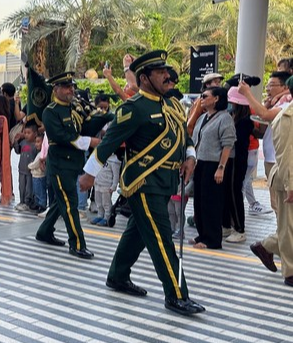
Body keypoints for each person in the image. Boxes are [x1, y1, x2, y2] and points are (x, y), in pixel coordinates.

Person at [79, 50, 204, 316]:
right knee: (161, 239)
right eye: (160, 72)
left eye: (165, 71)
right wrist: (89, 174)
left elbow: (185, 136)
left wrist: (190, 157)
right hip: (143, 183)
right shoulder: (133, 108)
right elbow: (110, 141)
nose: (166, 76)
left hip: (165, 181)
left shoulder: (171, 105)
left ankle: (117, 276)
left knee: (137, 233)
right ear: (145, 78)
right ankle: (177, 294)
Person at [35, 72, 111, 259]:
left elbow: (86, 127)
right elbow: (62, 137)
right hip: (60, 165)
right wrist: (90, 142)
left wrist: (105, 117)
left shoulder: (75, 107)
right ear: (56, 89)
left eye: (72, 87)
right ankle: (77, 243)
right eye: (67, 87)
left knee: (60, 202)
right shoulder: (50, 111)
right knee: (70, 204)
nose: (71, 90)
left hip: (74, 163)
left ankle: (44, 232)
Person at [251, 77, 293, 287]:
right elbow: (286, 156)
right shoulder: (287, 116)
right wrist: (290, 186)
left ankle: (266, 246)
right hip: (288, 179)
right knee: (289, 227)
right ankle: (290, 272)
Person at [190, 86, 235, 249]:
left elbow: (228, 145)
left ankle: (212, 239)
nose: (202, 98)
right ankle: (202, 234)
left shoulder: (225, 118)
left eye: (205, 96)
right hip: (200, 162)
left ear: (216, 98)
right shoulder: (204, 117)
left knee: (212, 202)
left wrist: (221, 167)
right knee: (200, 201)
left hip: (215, 164)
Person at [222, 87, 254, 244]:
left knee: (234, 193)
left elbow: (236, 140)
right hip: (230, 160)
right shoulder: (232, 117)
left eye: (231, 102)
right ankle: (227, 224)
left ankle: (239, 228)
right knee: (227, 192)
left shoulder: (244, 121)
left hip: (237, 160)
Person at [14, 122, 39, 212]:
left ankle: (27, 203)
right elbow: (17, 151)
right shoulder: (23, 142)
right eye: (25, 133)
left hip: (30, 171)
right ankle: (21, 201)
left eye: (29, 133)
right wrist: (16, 142)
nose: (26, 135)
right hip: (22, 169)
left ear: (35, 134)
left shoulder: (36, 145)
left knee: (29, 188)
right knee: (21, 186)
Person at [28, 135, 48, 212]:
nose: (36, 144)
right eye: (35, 142)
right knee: (36, 191)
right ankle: (37, 203)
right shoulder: (39, 153)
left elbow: (35, 164)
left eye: (38, 142)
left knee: (40, 191)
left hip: (39, 176)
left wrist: (29, 166)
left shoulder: (41, 155)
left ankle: (42, 205)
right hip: (35, 176)